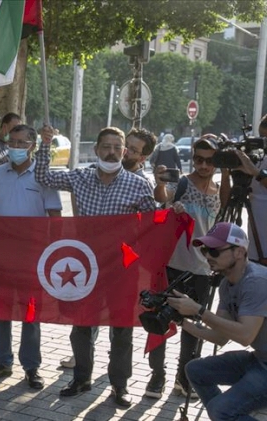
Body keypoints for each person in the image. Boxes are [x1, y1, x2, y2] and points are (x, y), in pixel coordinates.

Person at [35, 126, 156, 408]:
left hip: (121, 270)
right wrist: (45, 144)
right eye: (106, 146)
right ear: (97, 149)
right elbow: (43, 176)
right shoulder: (81, 177)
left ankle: (120, 385)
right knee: (81, 325)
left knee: (122, 330)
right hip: (85, 268)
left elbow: (153, 224)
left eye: (117, 147)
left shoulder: (139, 185)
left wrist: (171, 214)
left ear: (124, 152)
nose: (111, 152)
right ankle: (81, 378)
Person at [145, 135, 231, 399]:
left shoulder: (219, 190)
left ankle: (184, 378)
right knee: (160, 322)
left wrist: (227, 168)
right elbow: (162, 197)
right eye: (198, 159)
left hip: (203, 270)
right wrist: (161, 187)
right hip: (172, 266)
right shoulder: (182, 182)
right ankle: (156, 377)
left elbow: (225, 211)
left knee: (193, 329)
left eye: (209, 160)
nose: (203, 165)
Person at [0, 124, 61, 389]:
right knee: (0, 311)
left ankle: (31, 367)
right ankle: (2, 362)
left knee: (30, 314)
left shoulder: (44, 176)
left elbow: (55, 218)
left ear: (33, 146)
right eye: (11, 142)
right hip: (1, 257)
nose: (14, 147)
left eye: (21, 143)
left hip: (32, 258)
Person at [167, 222, 267, 420]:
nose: (207, 256)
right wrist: (179, 321)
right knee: (195, 370)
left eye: (214, 251)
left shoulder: (256, 281)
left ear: (239, 252)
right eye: (204, 250)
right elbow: (220, 337)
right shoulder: (226, 284)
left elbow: (245, 336)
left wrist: (199, 311)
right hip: (259, 360)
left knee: (221, 410)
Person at [231, 114, 267, 265]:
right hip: (255, 250)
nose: (264, 142)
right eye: (262, 137)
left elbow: (257, 175)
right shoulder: (260, 159)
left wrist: (256, 173)